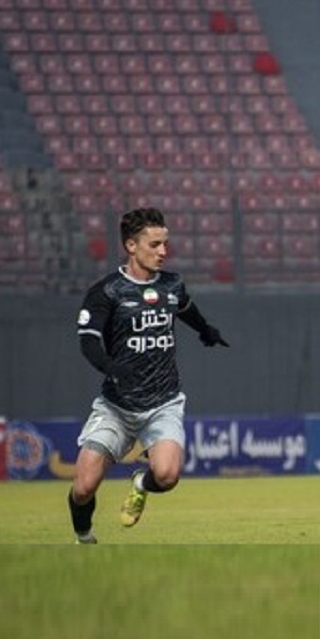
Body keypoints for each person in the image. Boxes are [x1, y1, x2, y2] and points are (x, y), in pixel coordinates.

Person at [67, 207, 229, 544]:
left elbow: (185, 308)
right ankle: (84, 536)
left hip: (163, 402)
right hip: (116, 405)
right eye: (154, 244)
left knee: (167, 475)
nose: (163, 251)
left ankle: (141, 482)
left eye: (165, 243)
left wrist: (205, 330)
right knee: (82, 488)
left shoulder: (172, 284)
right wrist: (111, 367)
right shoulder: (107, 291)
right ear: (131, 246)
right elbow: (89, 342)